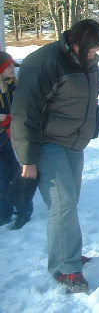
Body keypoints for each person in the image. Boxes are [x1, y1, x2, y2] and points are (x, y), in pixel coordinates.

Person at [12, 19, 99, 293]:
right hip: (46, 142)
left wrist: (92, 127)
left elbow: (90, 99)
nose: (94, 55)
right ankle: (65, 267)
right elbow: (25, 112)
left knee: (69, 202)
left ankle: (69, 253)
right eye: (90, 50)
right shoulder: (43, 63)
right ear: (76, 44)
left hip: (74, 141)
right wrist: (28, 159)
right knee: (61, 203)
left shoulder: (87, 60)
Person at [0, 52, 34, 230]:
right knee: (2, 180)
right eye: (9, 67)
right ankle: (4, 212)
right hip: (2, 140)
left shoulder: (17, 86)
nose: (13, 69)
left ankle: (23, 211)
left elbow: (27, 108)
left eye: (13, 65)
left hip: (16, 139)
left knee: (19, 178)